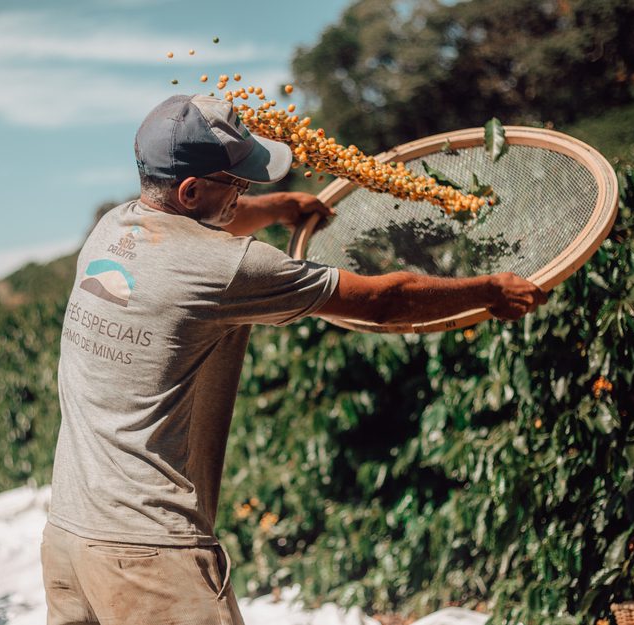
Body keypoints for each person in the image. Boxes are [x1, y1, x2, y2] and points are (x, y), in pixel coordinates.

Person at [41, 94, 546, 625]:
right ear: (190, 190)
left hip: (68, 540)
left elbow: (204, 230)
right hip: (149, 558)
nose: (242, 197)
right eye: (235, 185)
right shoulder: (229, 267)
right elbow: (382, 301)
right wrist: (488, 290)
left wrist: (282, 207)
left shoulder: (112, 231)